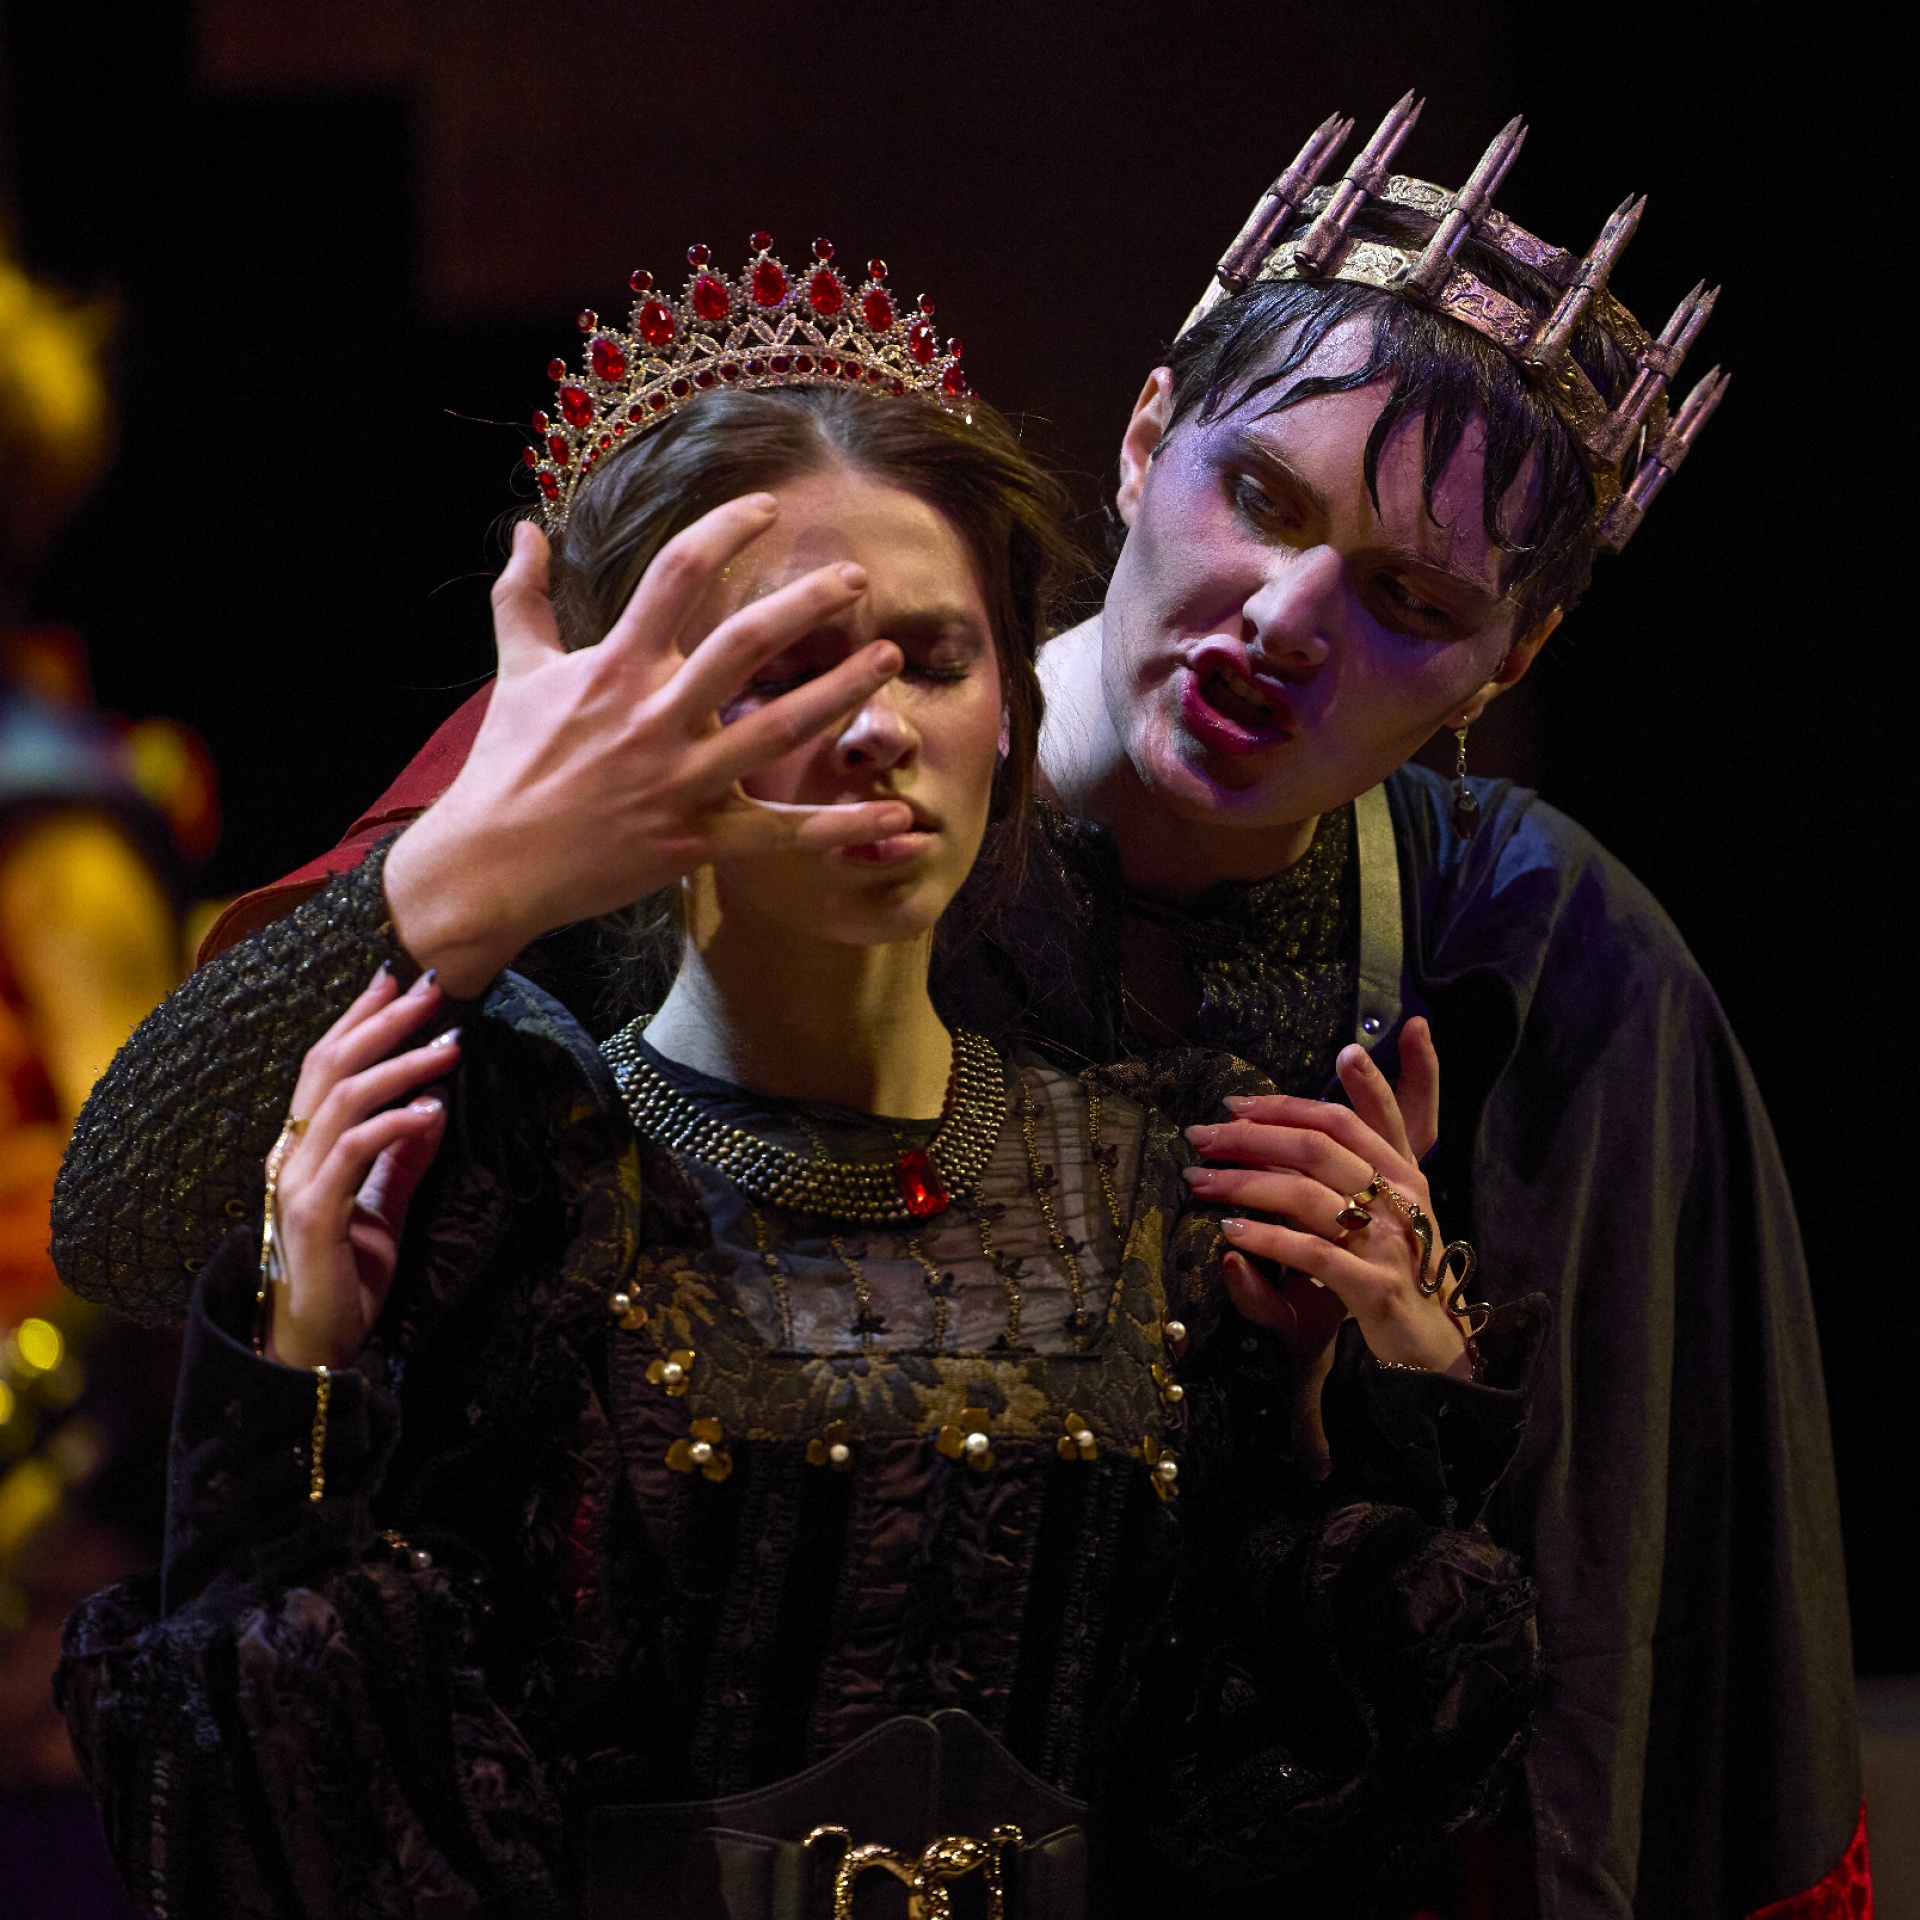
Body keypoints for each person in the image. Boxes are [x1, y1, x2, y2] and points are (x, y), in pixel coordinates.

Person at [51, 106, 1865, 1917]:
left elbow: (1591, 1648)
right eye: (1261, 500)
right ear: (1146, 440)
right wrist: (464, 883)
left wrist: (1399, 1405)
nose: (1287, 621)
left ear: (1508, 661)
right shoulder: (700, 754)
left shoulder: (1522, 956)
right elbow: (144, 1228)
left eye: (1410, 599)